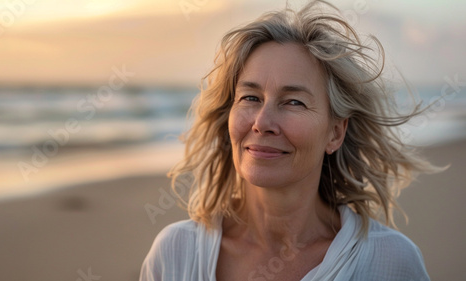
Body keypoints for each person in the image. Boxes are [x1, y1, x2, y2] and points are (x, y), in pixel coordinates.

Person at [140, 1, 439, 280]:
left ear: (335, 133)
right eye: (251, 97)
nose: (262, 123)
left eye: (294, 102)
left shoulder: (390, 261)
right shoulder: (175, 252)